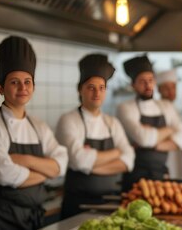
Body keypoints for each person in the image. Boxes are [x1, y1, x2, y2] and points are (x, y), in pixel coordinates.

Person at [0, 36, 68, 229]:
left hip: (33, 218)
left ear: (33, 87)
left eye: (27, 81)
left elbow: (61, 165)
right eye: (14, 82)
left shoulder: (39, 126)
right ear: (0, 88)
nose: (23, 87)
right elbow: (8, 176)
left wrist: (25, 160)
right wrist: (46, 171)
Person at [56, 54, 135, 219]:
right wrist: (116, 153)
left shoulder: (111, 122)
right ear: (80, 89)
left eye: (101, 87)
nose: (97, 93)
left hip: (111, 205)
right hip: (77, 206)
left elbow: (129, 159)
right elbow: (78, 160)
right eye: (91, 87)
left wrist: (92, 167)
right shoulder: (68, 120)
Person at [116, 55, 182, 191]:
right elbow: (144, 139)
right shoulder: (125, 108)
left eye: (150, 80)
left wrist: (154, 142)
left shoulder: (166, 106)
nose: (148, 85)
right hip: (135, 179)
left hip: (161, 175)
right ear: (133, 85)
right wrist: (170, 130)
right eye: (142, 81)